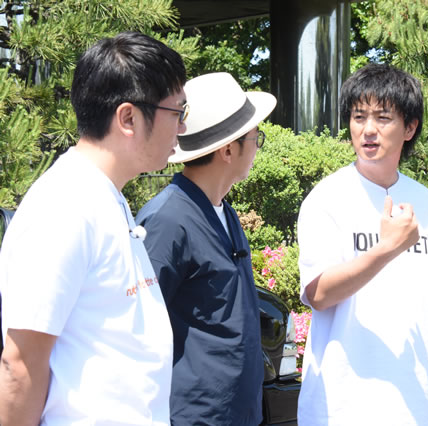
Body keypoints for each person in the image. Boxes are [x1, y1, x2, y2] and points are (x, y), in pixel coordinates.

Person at [296, 63, 428, 425]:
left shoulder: (426, 202)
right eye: (359, 117)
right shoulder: (327, 198)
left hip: (415, 399)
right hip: (344, 403)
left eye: (383, 118)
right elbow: (319, 294)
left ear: (410, 128)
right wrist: (386, 249)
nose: (368, 129)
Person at [0, 31, 187, 424]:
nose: (182, 129)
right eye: (177, 113)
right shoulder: (64, 206)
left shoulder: (104, 197)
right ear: (128, 117)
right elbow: (20, 365)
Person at [136, 72, 276, 425]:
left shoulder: (223, 210)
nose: (258, 147)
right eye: (255, 137)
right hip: (193, 416)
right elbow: (138, 330)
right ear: (228, 149)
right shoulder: (167, 220)